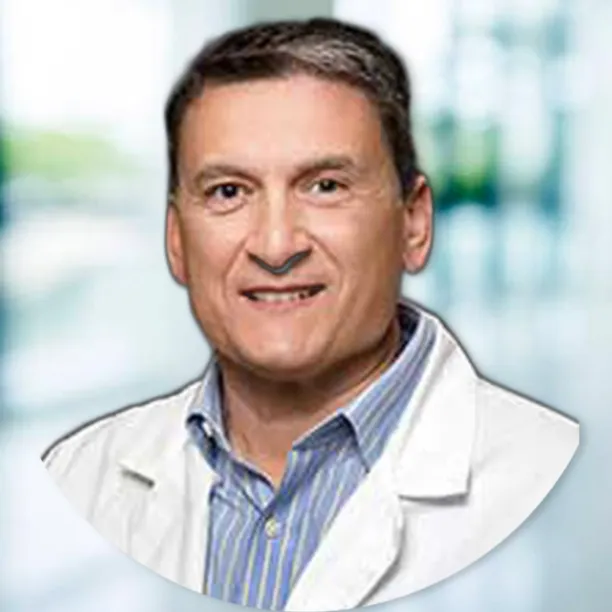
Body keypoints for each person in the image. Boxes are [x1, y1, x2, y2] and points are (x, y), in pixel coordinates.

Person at [42, 17, 579, 611]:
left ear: (414, 223)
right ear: (176, 240)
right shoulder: (78, 478)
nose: (276, 246)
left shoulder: (562, 482)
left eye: (325, 186)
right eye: (228, 192)